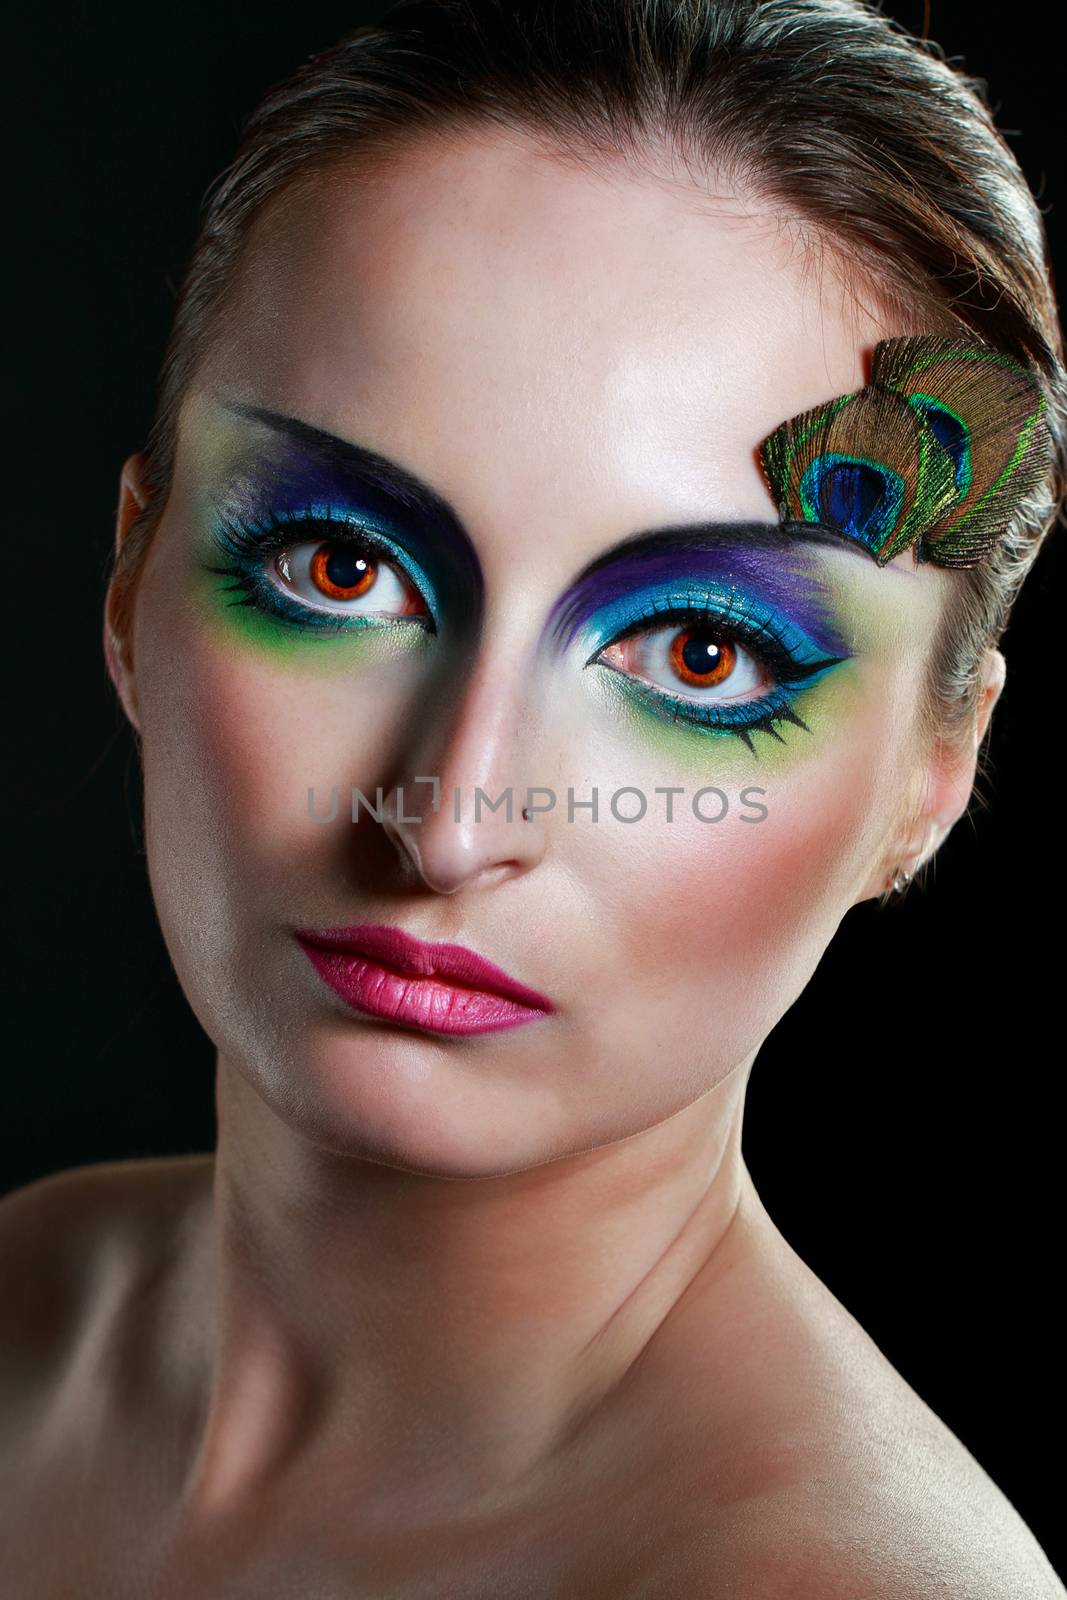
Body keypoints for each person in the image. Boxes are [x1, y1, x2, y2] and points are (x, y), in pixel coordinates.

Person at [2, 1, 1064, 1594]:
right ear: (132, 578)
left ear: (934, 776)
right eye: (341, 566)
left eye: (704, 654)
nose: (446, 824)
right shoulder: (20, 1290)